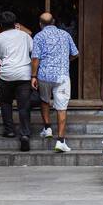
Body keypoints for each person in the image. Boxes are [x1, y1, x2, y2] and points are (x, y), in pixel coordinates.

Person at [30, 12, 79, 153]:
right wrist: (65, 60)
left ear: (40, 24)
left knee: (44, 100)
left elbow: (35, 59)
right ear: (54, 22)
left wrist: (33, 76)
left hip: (44, 75)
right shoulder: (65, 34)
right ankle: (61, 141)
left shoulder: (38, 36)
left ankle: (47, 128)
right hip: (62, 76)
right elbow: (75, 53)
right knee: (61, 107)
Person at [0, 11, 34, 151]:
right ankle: (25, 134)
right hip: (24, 74)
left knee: (6, 102)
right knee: (24, 105)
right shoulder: (25, 36)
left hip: (6, 75)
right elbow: (33, 51)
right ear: (15, 23)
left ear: (0, 25)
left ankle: (10, 130)